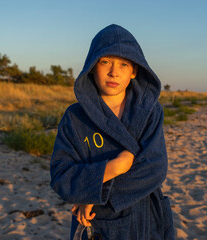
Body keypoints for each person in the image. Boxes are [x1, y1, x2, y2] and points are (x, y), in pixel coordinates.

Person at [50, 24, 176, 240]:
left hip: (146, 217)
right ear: (92, 65)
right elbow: (61, 175)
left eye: (124, 64)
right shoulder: (75, 118)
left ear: (134, 70)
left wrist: (93, 192)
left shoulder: (150, 111)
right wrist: (111, 168)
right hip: (99, 223)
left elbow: (155, 168)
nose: (113, 72)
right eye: (105, 61)